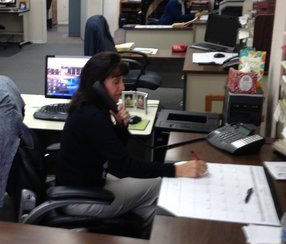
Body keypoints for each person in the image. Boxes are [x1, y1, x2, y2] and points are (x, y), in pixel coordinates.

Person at [56, 52, 206, 234]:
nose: (122, 87)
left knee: (149, 207)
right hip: (81, 198)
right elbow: (124, 166)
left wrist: (121, 126)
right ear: (97, 85)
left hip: (91, 183)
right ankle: (153, 238)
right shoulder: (91, 116)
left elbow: (113, 153)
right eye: (116, 81)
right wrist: (176, 170)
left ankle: (147, 240)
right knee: (160, 183)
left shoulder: (91, 106)